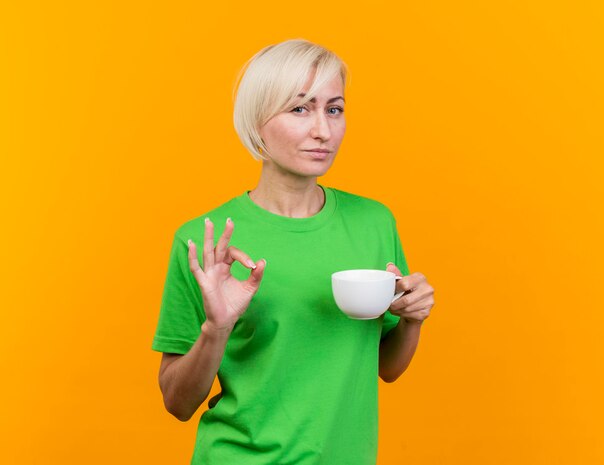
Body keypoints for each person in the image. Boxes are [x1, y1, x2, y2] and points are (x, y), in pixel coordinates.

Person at [152, 38, 435, 464]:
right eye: (300, 108)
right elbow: (177, 403)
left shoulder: (374, 222)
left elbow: (386, 368)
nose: (322, 129)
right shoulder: (204, 241)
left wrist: (412, 320)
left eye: (333, 109)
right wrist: (217, 326)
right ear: (257, 121)